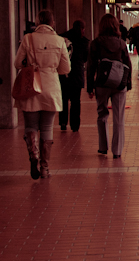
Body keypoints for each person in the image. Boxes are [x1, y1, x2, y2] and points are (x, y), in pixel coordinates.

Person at [15, 9, 71, 179]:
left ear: (37, 22)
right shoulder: (60, 41)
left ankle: (34, 156)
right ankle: (45, 168)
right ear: (52, 22)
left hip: (31, 86)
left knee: (31, 126)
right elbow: (65, 69)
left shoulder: (28, 38)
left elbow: (18, 63)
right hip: (51, 87)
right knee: (47, 127)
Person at [86, 14, 133, 159]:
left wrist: (90, 87)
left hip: (102, 83)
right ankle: (117, 151)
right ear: (115, 26)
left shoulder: (95, 43)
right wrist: (128, 83)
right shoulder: (121, 43)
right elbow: (128, 64)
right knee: (119, 117)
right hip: (119, 84)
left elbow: (91, 66)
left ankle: (103, 147)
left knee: (102, 114)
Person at [59, 20, 90, 132]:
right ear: (82, 29)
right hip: (77, 73)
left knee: (63, 99)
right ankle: (75, 125)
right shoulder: (84, 42)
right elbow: (85, 58)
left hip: (64, 73)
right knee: (76, 100)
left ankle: (63, 122)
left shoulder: (63, 38)